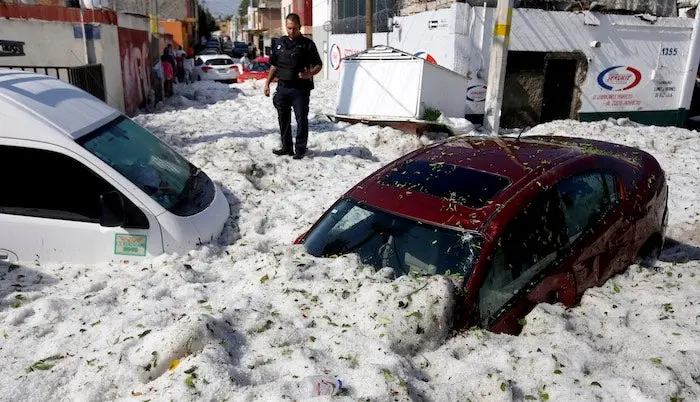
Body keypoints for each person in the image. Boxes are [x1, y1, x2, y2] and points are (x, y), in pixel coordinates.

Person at [264, 13, 323, 159]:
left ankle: (300, 149)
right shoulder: (279, 43)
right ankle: (286, 147)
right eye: (289, 28)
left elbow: (318, 65)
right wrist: (267, 83)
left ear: (300, 27)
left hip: (300, 90)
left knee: (301, 119)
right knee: (283, 119)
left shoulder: (307, 44)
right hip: (282, 88)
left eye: (294, 28)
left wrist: (308, 75)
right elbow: (274, 65)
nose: (291, 31)